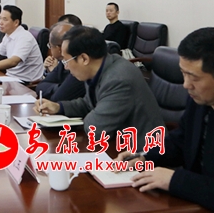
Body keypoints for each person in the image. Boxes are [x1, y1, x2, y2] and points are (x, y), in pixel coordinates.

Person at [115, 27, 214, 210]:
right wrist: (145, 158)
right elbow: (181, 141)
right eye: (183, 73)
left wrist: (175, 179)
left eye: (194, 77)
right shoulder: (200, 100)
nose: (186, 85)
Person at [35, 26, 163, 150]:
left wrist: (90, 116)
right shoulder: (97, 68)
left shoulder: (118, 80)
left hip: (142, 152)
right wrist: (59, 107)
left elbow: (96, 129)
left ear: (84, 58)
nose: (66, 67)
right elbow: (88, 104)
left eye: (66, 61)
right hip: (116, 144)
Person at [35, 22, 86, 101]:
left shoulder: (80, 64)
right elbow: (40, 86)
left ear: (60, 48)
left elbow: (58, 98)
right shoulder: (63, 61)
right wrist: (59, 87)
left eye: (50, 46)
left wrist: (59, 89)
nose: (66, 67)